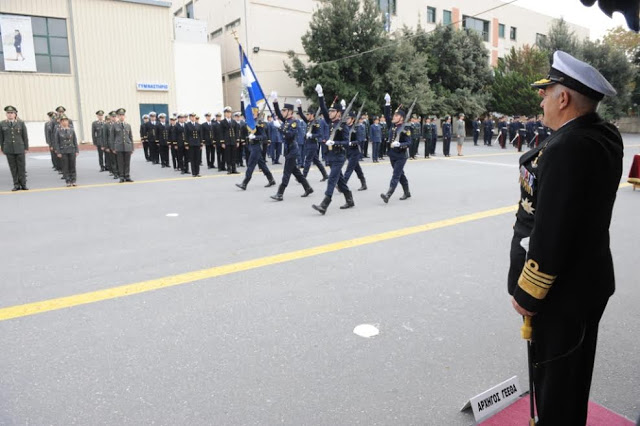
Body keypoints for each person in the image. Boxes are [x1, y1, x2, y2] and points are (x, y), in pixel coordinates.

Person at [508, 50, 622, 425]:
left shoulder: (568, 148)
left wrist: (528, 293)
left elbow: (551, 232)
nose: (541, 101)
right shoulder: (600, 135)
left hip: (562, 291)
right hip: (585, 283)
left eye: (546, 92)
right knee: (570, 376)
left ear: (563, 97)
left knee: (556, 382)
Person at [311, 84, 353, 214]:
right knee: (339, 181)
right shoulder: (330, 123)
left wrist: (334, 142)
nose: (329, 113)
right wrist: (320, 95)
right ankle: (350, 199)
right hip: (330, 156)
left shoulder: (343, 126)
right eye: (330, 112)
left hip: (339, 156)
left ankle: (325, 204)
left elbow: (346, 142)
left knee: (332, 179)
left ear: (339, 113)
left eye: (332, 111)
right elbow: (323, 109)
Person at [270, 93, 313, 201]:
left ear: (290, 112)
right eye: (283, 110)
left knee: (286, 173)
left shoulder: (294, 122)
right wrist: (275, 101)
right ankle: (308, 188)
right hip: (289, 150)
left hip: (293, 150)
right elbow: (279, 115)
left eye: (285, 111)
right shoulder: (286, 121)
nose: (283, 112)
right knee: (296, 172)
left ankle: (280, 193)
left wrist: (280, 127)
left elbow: (290, 135)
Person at [235, 102, 276, 190]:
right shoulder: (250, 121)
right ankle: (271, 179)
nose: (252, 113)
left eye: (254, 112)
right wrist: (242, 101)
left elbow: (264, 136)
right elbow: (243, 110)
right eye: (251, 112)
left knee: (251, 164)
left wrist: (255, 137)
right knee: (262, 164)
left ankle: (244, 183)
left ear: (257, 112)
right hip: (251, 146)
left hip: (256, 147)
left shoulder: (259, 123)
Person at [380, 93, 411, 203]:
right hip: (392, 154)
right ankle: (407, 192)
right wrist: (387, 103)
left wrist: (400, 144)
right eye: (394, 115)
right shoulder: (392, 126)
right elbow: (387, 115)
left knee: (396, 175)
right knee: (400, 174)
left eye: (396, 116)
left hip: (401, 155)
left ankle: (388, 194)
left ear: (401, 118)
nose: (394, 117)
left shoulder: (405, 128)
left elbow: (409, 142)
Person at [297, 101, 329, 181]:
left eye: (308, 114)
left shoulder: (316, 123)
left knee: (307, 161)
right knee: (317, 161)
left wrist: (311, 135)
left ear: (312, 115)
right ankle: (325, 175)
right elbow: (301, 115)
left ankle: (303, 177)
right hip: (308, 144)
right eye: (307, 114)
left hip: (313, 144)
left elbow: (319, 134)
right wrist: (299, 106)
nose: (307, 116)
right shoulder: (308, 122)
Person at [0, 105, 29, 191]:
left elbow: (25, 136)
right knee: (13, 168)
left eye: (11, 113)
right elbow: (1, 138)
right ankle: (16, 184)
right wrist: (2, 148)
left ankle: (23, 184)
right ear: (6, 114)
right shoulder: (2, 123)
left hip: (20, 148)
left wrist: (26, 148)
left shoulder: (21, 123)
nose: (10, 114)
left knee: (21, 167)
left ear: (15, 114)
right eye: (8, 113)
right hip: (9, 149)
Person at [343, 113, 367, 191]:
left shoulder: (357, 128)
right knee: (357, 169)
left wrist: (351, 143)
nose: (347, 120)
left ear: (352, 119)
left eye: (348, 118)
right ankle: (364, 184)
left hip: (355, 151)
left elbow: (360, 140)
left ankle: (342, 184)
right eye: (346, 118)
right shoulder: (345, 127)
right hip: (348, 151)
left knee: (349, 168)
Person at [53, 115, 79, 187]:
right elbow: (57, 142)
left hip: (71, 150)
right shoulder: (58, 131)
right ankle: (68, 181)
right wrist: (58, 152)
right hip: (63, 151)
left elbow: (75, 141)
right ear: (61, 122)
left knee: (72, 166)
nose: (65, 122)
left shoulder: (71, 130)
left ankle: (73, 180)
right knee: (65, 166)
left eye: (66, 120)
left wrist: (76, 150)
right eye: (63, 121)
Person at [112, 108, 134, 182]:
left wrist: (132, 148)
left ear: (125, 116)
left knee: (127, 162)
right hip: (119, 146)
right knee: (120, 162)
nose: (122, 116)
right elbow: (112, 137)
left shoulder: (128, 125)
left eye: (123, 115)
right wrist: (113, 148)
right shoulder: (114, 125)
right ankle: (121, 176)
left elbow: (131, 137)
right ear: (118, 116)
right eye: (120, 115)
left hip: (127, 146)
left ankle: (127, 176)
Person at [220, 107, 239, 174]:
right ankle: (229, 169)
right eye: (227, 113)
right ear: (225, 114)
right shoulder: (222, 122)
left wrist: (237, 141)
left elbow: (236, 131)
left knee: (234, 155)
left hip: (233, 141)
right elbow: (221, 132)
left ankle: (234, 169)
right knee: (228, 156)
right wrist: (222, 142)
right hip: (227, 141)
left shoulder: (234, 122)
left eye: (229, 112)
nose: (228, 114)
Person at [186, 112, 202, 177]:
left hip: (197, 143)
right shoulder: (187, 125)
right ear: (190, 118)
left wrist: (201, 144)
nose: (193, 118)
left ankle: (197, 172)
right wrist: (186, 144)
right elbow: (186, 135)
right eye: (191, 117)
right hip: (191, 143)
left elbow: (200, 135)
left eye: (194, 117)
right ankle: (193, 173)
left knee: (197, 158)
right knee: (192, 158)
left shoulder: (198, 125)